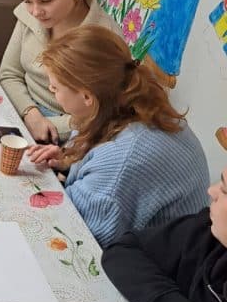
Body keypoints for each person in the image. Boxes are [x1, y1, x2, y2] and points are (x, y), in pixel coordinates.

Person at [27, 25, 209, 248]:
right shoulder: (128, 104)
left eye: (55, 88)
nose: (50, 90)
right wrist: (70, 159)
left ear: (87, 96)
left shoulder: (122, 157)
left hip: (154, 268)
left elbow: (79, 239)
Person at [0, 0, 120, 143]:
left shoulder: (104, 37)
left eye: (46, 0)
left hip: (71, 134)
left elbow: (102, 113)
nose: (36, 11)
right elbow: (9, 74)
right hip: (21, 109)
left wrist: (50, 127)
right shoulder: (30, 15)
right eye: (28, 1)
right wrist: (30, 114)